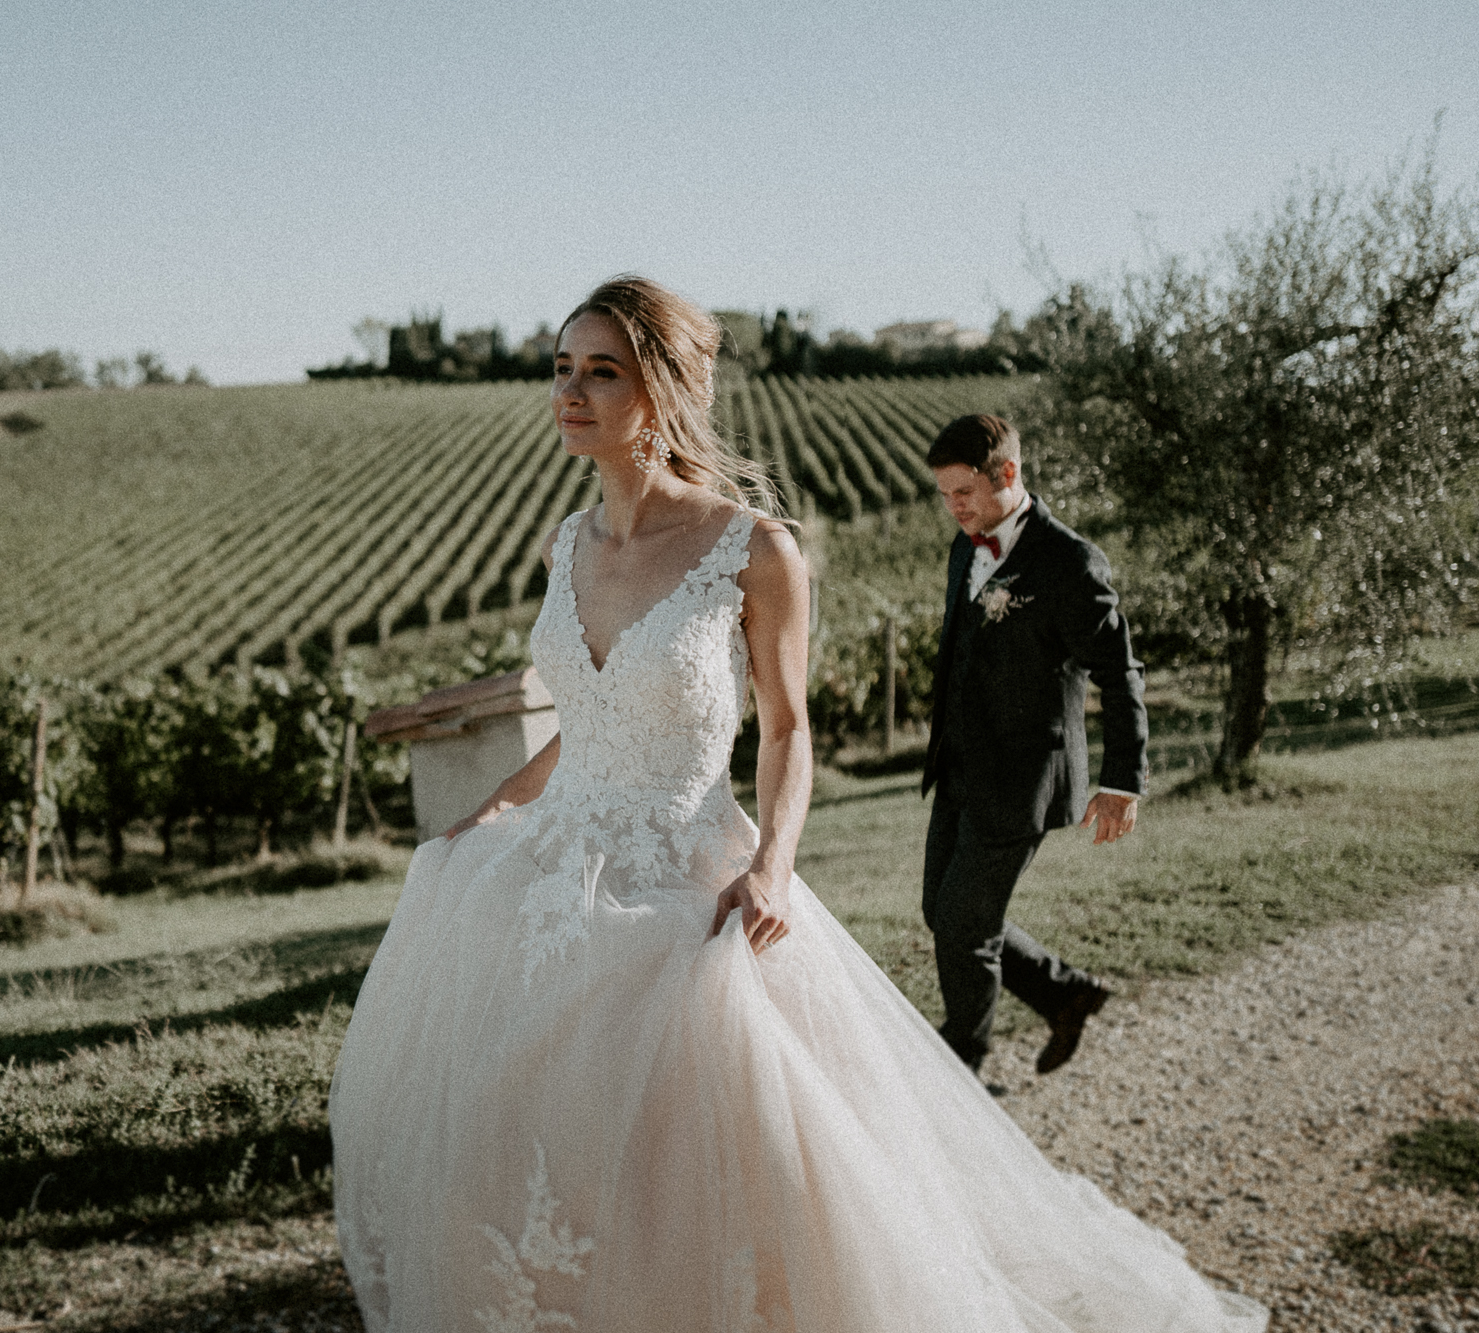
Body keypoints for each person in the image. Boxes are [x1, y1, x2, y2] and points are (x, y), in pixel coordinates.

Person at [329, 276, 1264, 1331]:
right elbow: (581, 724)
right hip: (549, 874)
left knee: (713, 1148)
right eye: (561, 368)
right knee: (520, 1133)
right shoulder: (563, 544)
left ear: (666, 389)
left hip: (686, 874)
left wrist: (770, 864)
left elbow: (785, 731)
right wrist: (488, 814)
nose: (570, 392)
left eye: (601, 371)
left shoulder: (753, 548)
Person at [921, 414, 1146, 1078]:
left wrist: (1122, 780)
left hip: (1022, 779)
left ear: (1008, 474)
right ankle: (1062, 991)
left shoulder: (1070, 561)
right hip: (958, 767)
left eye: (962, 491)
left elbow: (1120, 672)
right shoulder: (965, 546)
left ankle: (961, 1071)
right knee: (942, 911)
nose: (953, 507)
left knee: (964, 926)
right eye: (943, 494)